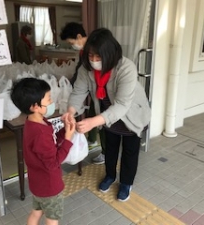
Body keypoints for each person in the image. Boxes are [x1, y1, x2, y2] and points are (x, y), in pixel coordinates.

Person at [64, 28, 151, 202]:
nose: (94, 61)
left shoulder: (126, 68)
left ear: (110, 54)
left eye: (99, 57)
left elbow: (122, 105)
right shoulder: (86, 68)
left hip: (131, 115)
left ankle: (126, 182)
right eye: (91, 56)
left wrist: (93, 122)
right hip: (107, 115)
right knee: (109, 148)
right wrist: (71, 111)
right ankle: (110, 175)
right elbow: (79, 91)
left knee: (130, 151)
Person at [10, 77, 76, 225]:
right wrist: (68, 140)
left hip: (38, 184)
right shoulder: (40, 132)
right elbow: (53, 163)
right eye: (49, 99)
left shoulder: (34, 122)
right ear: (35, 106)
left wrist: (64, 131)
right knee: (52, 219)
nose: (52, 103)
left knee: (36, 212)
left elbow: (50, 141)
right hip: (50, 187)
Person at [60, 22, 106, 164]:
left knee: (102, 121)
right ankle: (92, 140)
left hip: (103, 90)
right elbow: (80, 72)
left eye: (71, 42)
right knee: (92, 113)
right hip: (94, 91)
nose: (72, 45)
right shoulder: (83, 52)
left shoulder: (95, 49)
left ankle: (105, 152)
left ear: (79, 36)